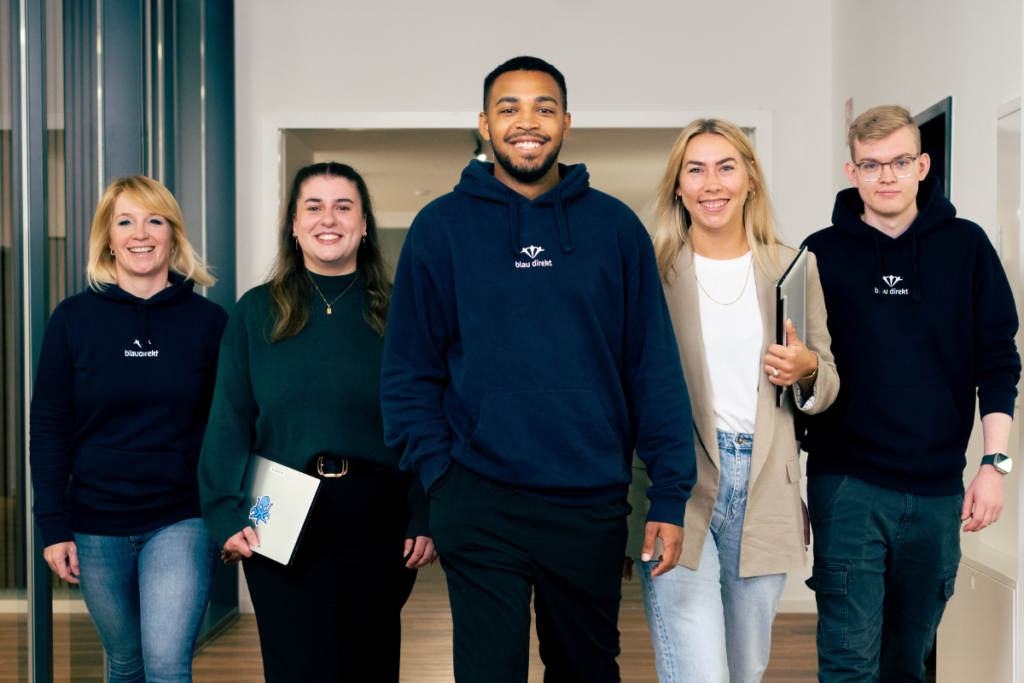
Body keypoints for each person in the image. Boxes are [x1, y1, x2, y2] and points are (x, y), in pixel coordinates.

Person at [381, 56, 697, 683]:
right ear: (484, 124)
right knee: (488, 672)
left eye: (544, 108)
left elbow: (653, 369)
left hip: (590, 500)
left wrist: (668, 493)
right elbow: (409, 371)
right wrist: (440, 478)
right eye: (510, 108)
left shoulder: (614, 229)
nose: (528, 122)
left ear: (566, 123)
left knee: (586, 670)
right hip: (477, 495)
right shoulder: (440, 228)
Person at [800, 105, 1020, 682]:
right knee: (849, 660)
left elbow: (998, 359)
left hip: (937, 489)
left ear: (923, 165)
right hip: (846, 482)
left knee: (909, 661)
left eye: (900, 161)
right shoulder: (817, 253)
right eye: (871, 165)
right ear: (852, 172)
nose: (886, 176)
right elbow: (797, 375)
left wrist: (994, 465)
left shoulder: (967, 247)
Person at [198, 162, 434, 682]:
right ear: (293, 224)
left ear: (365, 224)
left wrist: (425, 510)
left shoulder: (402, 312)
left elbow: (428, 420)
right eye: (314, 207)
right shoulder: (256, 312)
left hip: (379, 511)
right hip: (278, 509)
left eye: (344, 206)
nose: (329, 219)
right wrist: (222, 510)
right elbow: (229, 418)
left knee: (370, 665)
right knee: (297, 666)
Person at [623, 119, 839, 683]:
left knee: (743, 671)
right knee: (699, 672)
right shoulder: (653, 271)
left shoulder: (792, 267)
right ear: (678, 185)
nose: (710, 182)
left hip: (768, 486)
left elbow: (828, 380)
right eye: (695, 169)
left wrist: (807, 368)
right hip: (678, 482)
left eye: (726, 166)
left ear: (750, 179)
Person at [29, 176, 227, 682]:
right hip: (95, 521)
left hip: (180, 516)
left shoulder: (209, 323)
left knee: (164, 662)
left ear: (173, 234)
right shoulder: (72, 320)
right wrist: (53, 525)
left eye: (154, 220)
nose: (141, 233)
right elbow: (50, 425)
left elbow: (228, 426)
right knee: (126, 661)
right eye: (126, 221)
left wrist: (227, 510)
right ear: (108, 238)